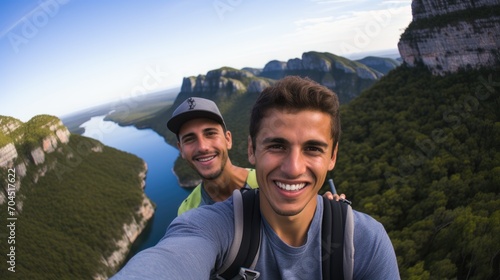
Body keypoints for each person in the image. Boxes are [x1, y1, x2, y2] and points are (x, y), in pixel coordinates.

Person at [112, 76, 399, 279]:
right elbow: (177, 255)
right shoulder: (195, 215)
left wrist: (333, 216)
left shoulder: (364, 242)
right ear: (251, 149)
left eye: (312, 148)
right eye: (276, 145)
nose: (293, 168)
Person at [167, 97, 344, 215]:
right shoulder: (187, 211)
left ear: (228, 139)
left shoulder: (273, 182)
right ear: (181, 149)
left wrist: (326, 209)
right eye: (190, 139)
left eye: (210, 133)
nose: (203, 147)